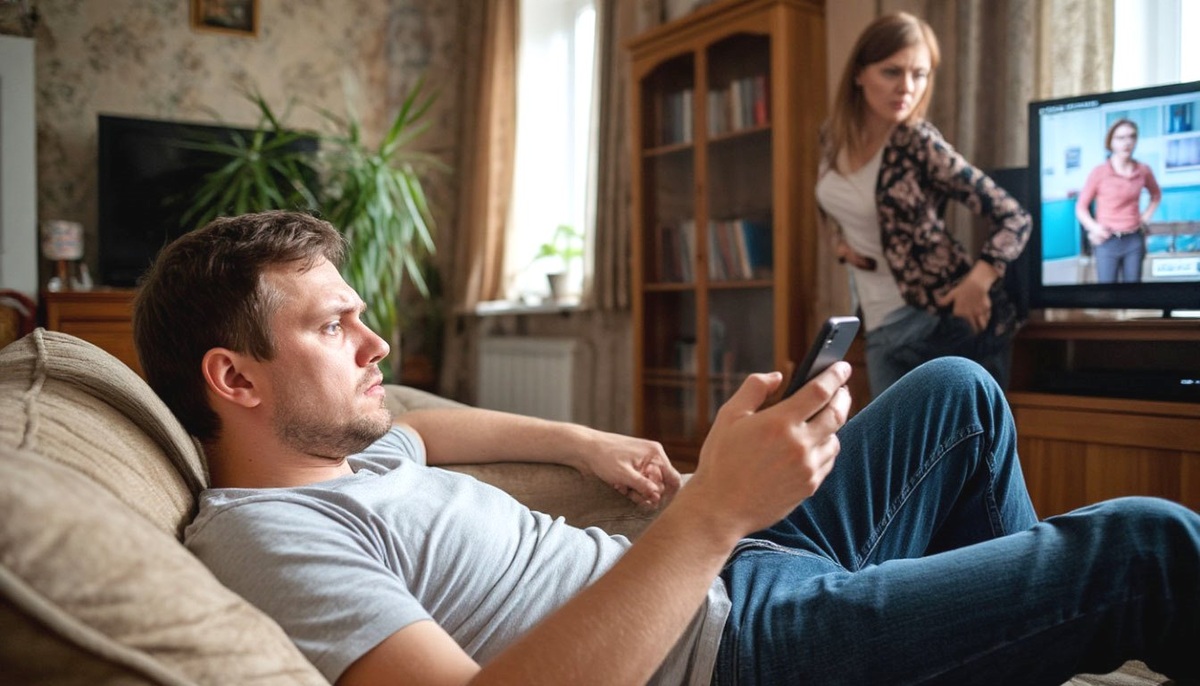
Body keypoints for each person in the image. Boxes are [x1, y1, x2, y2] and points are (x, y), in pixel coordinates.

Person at [133, 210, 1199, 686]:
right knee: (1144, 547)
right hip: (736, 655)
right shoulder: (267, 537)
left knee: (959, 393)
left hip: (735, 575)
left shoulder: (348, 456)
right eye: (335, 328)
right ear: (236, 380)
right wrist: (714, 508)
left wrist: (585, 441)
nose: (376, 346)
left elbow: (422, 422)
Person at [816, 12, 1031, 398]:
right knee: (893, 440)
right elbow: (830, 202)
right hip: (879, 329)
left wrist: (978, 280)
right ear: (859, 73)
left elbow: (1014, 216)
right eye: (892, 72)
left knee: (962, 440)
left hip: (940, 325)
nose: (907, 87)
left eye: (920, 74)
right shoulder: (833, 139)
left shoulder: (919, 144)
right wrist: (840, 244)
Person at [1075, 118, 1162, 284]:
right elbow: (1081, 207)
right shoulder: (1099, 172)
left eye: (1131, 136)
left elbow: (1156, 195)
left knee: (1133, 292)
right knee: (1108, 292)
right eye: (1120, 138)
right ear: (1111, 143)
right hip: (1107, 241)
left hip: (1134, 239)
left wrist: (1145, 217)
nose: (1127, 142)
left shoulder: (1143, 170)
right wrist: (1094, 228)